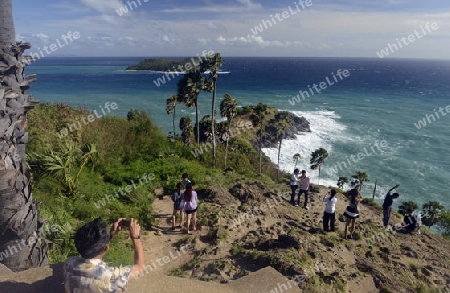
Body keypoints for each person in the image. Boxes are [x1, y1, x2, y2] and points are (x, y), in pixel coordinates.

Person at [64, 218, 144, 292]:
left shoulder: (69, 263)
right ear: (106, 248)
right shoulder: (110, 277)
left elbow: (97, 248)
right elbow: (139, 267)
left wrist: (110, 234)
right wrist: (135, 237)